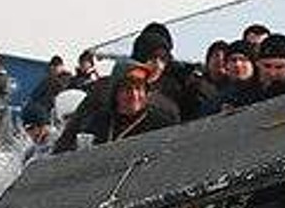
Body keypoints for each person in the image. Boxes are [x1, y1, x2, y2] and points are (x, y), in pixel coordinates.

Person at [52, 57, 180, 152]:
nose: (134, 95)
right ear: (115, 92)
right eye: (127, 89)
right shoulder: (98, 122)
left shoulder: (162, 125)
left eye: (139, 89)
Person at [21, 55, 73, 130]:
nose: (54, 69)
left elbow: (62, 92)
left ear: (61, 66)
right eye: (52, 66)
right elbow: (36, 94)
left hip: (52, 113)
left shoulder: (65, 79)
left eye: (56, 66)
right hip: (40, 111)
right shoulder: (48, 79)